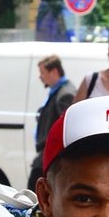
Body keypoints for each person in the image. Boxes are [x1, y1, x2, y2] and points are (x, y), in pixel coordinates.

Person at [28, 54, 76, 187]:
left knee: (35, 189)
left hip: (50, 153)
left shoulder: (65, 94)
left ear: (54, 71)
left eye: (43, 73)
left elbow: (66, 129)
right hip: (47, 153)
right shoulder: (59, 91)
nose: (40, 77)